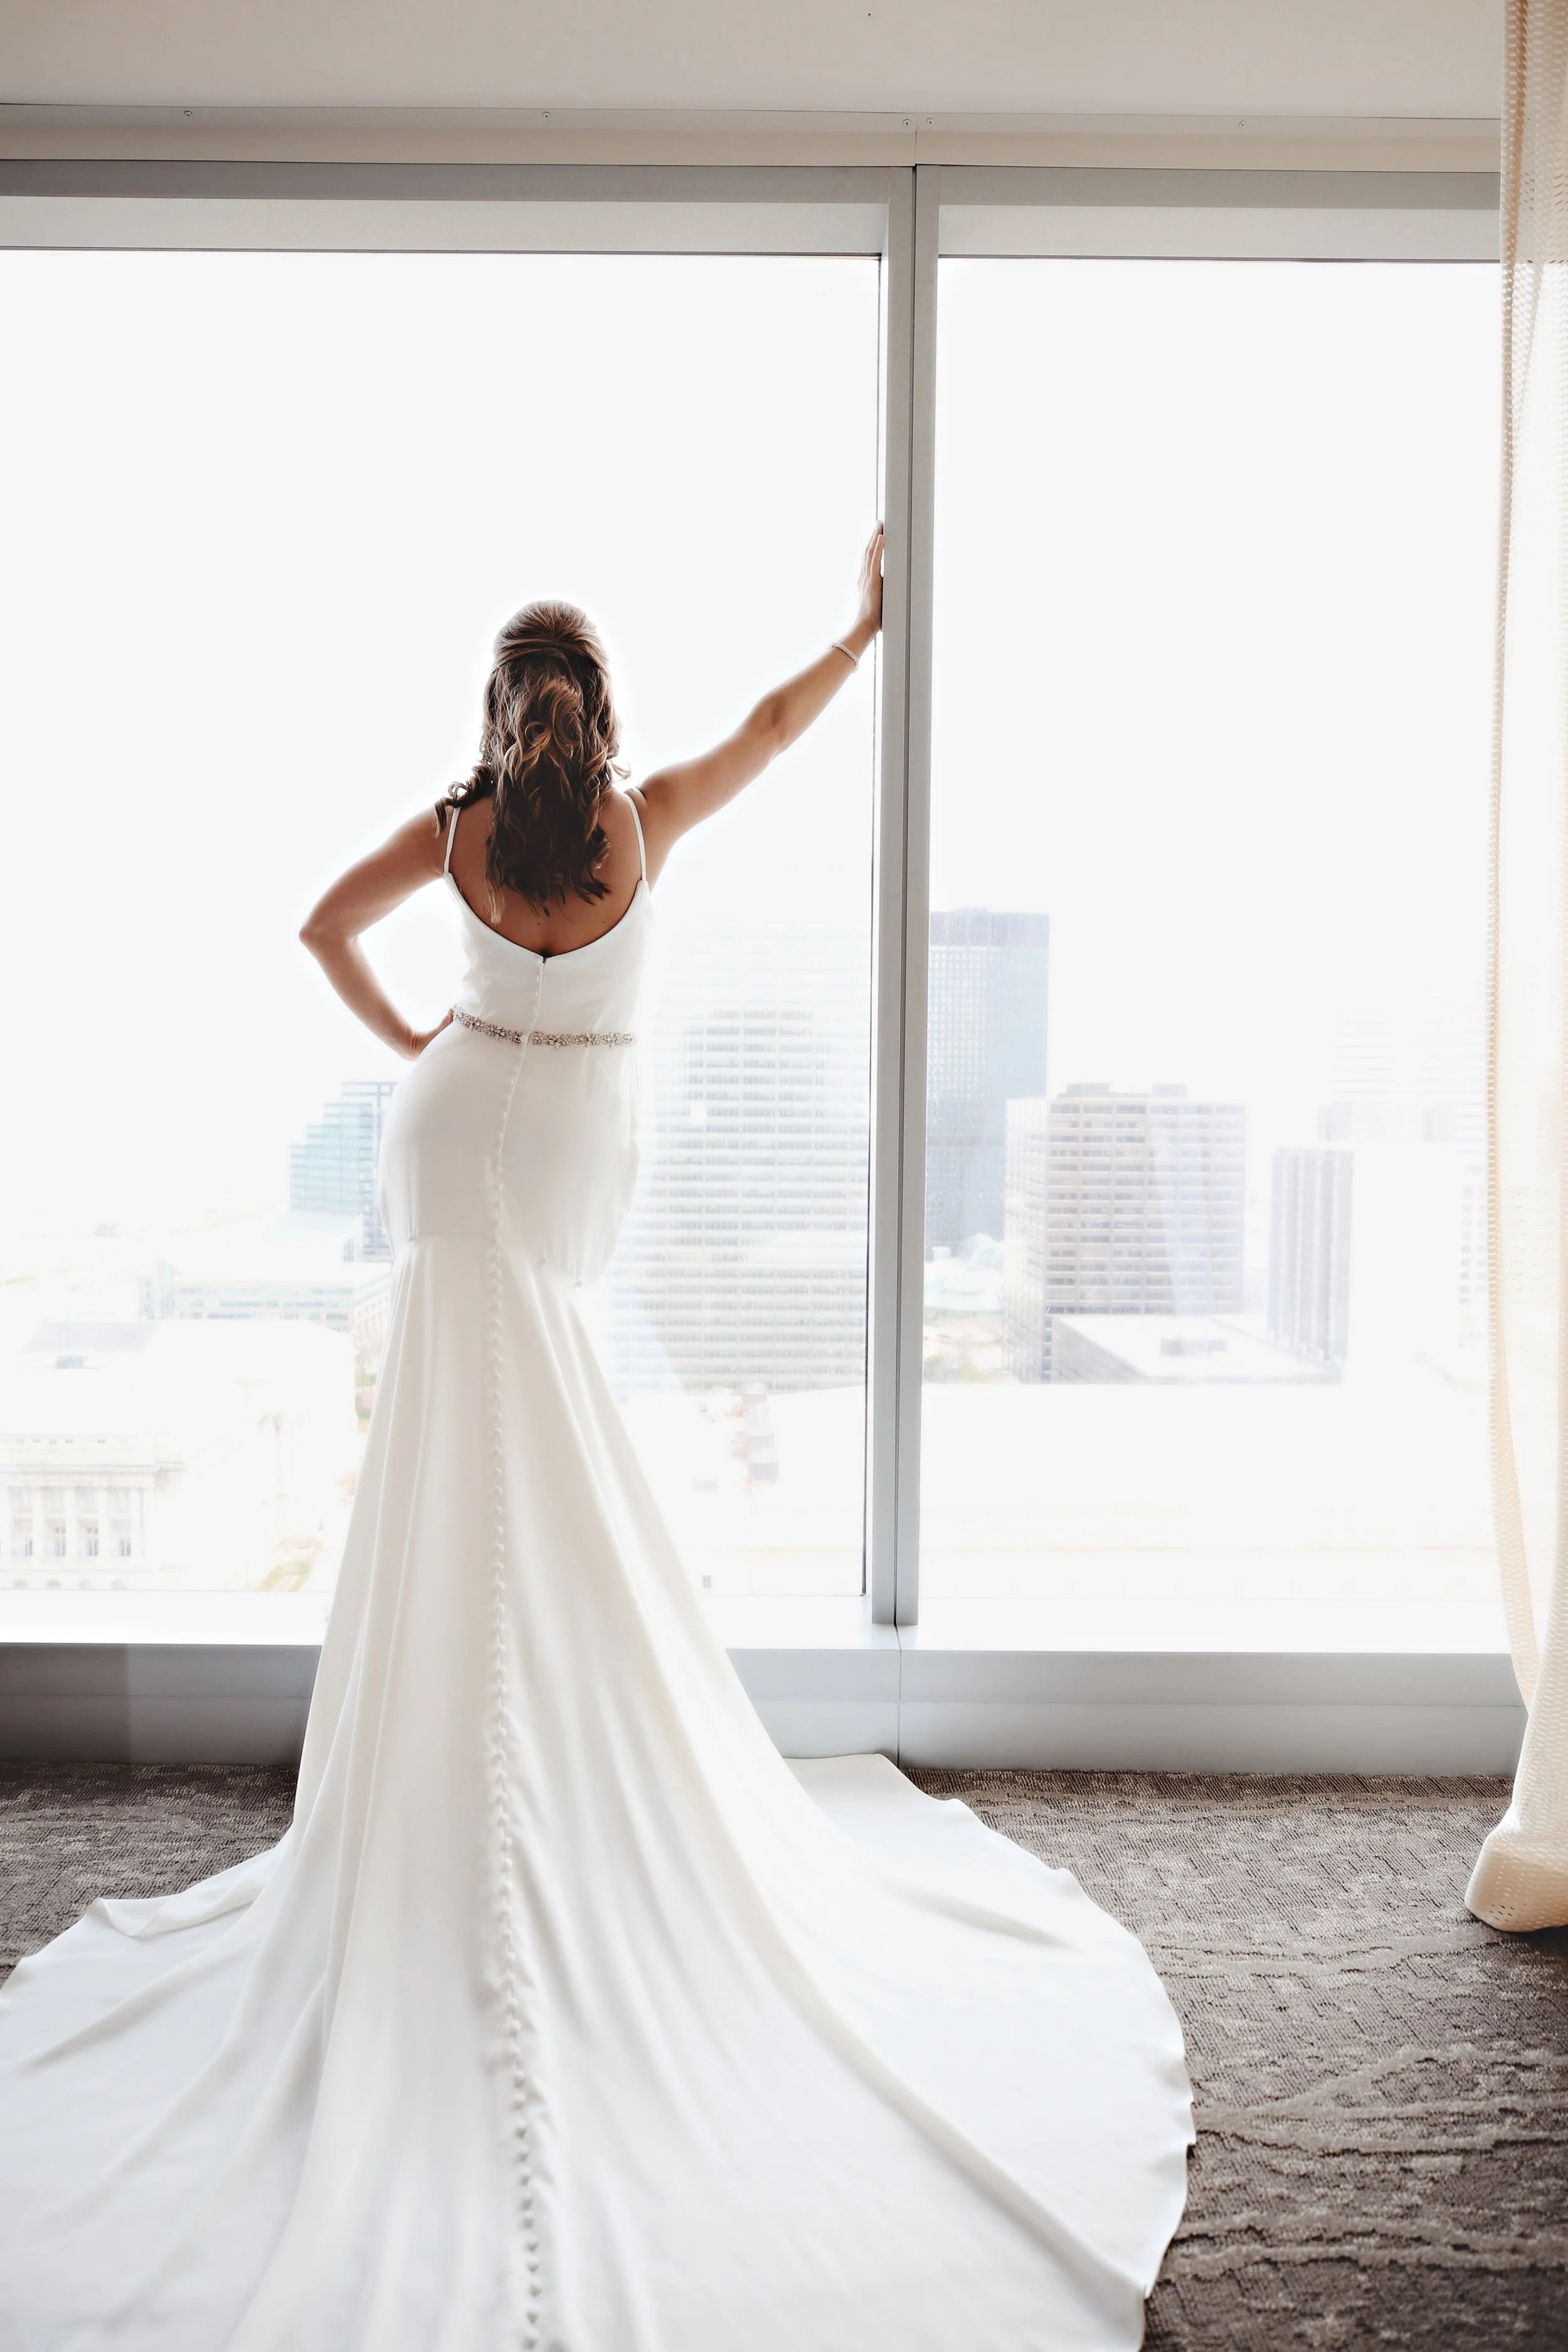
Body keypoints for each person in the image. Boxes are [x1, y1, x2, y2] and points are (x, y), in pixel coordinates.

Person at [0, 528, 1191, 2351]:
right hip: (567, 1141)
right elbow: (773, 729)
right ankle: (553, 1732)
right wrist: (862, 627)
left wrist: (419, 1030)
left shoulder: (457, 832)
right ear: (598, 707)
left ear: (500, 710)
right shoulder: (636, 826)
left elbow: (316, 927)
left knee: (454, 1442)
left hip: (453, 1110)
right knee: (543, 1422)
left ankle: (454, 1758)